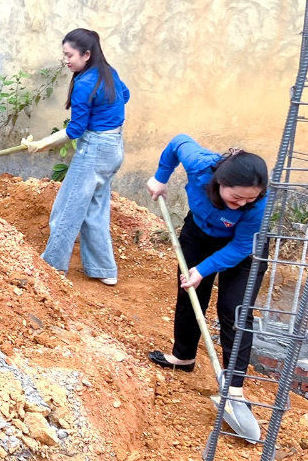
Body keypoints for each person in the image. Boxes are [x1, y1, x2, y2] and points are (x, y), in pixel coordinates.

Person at [146, 137, 269, 404]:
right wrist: (160, 177)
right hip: (199, 232)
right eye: (236, 197)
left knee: (235, 310)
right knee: (191, 293)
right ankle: (183, 356)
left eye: (251, 199)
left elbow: (240, 247)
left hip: (244, 249)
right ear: (220, 182)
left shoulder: (256, 208)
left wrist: (203, 269)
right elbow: (178, 142)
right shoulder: (201, 165)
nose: (243, 204)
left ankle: (234, 388)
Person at [23, 28, 130, 285]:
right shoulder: (108, 72)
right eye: (64, 55)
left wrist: (42, 144)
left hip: (94, 150)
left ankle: (52, 266)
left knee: (66, 209)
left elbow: (76, 130)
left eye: (70, 55)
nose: (66, 61)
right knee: (95, 210)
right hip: (114, 148)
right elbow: (125, 95)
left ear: (86, 54)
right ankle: (104, 269)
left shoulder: (84, 84)